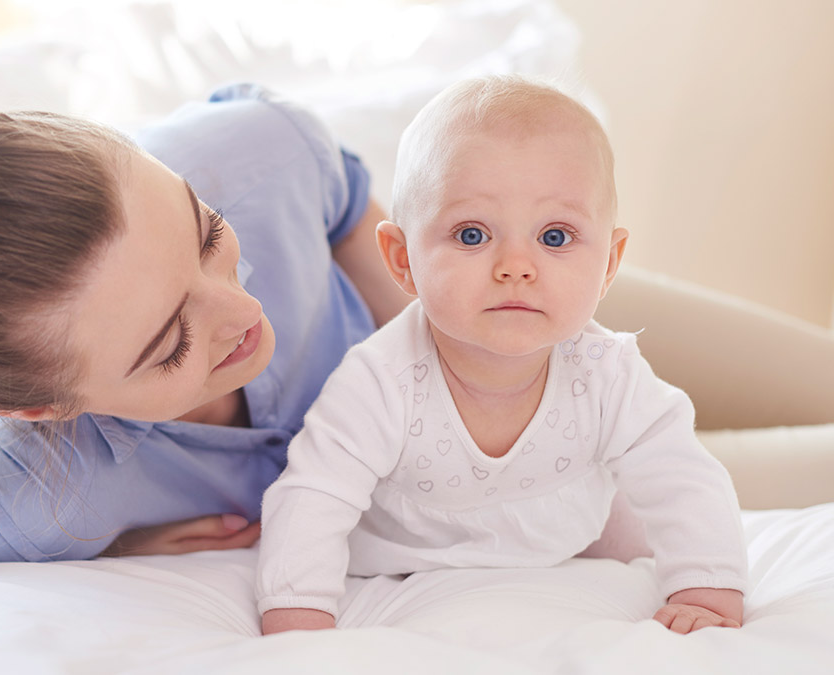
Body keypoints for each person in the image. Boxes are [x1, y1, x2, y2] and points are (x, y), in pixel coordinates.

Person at [0, 83, 414, 575]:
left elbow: (344, 194)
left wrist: (423, 342)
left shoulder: (254, 153)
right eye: (169, 344)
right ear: (39, 410)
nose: (244, 314)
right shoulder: (39, 496)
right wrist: (107, 544)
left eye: (207, 234)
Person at [255, 76, 748, 637]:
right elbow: (314, 494)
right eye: (471, 235)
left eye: (555, 237)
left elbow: (681, 475)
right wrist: (297, 618)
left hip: (571, 536)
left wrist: (706, 589)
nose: (516, 265)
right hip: (407, 564)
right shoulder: (380, 382)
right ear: (403, 260)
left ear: (609, 264)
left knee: (640, 517)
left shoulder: (607, 373)